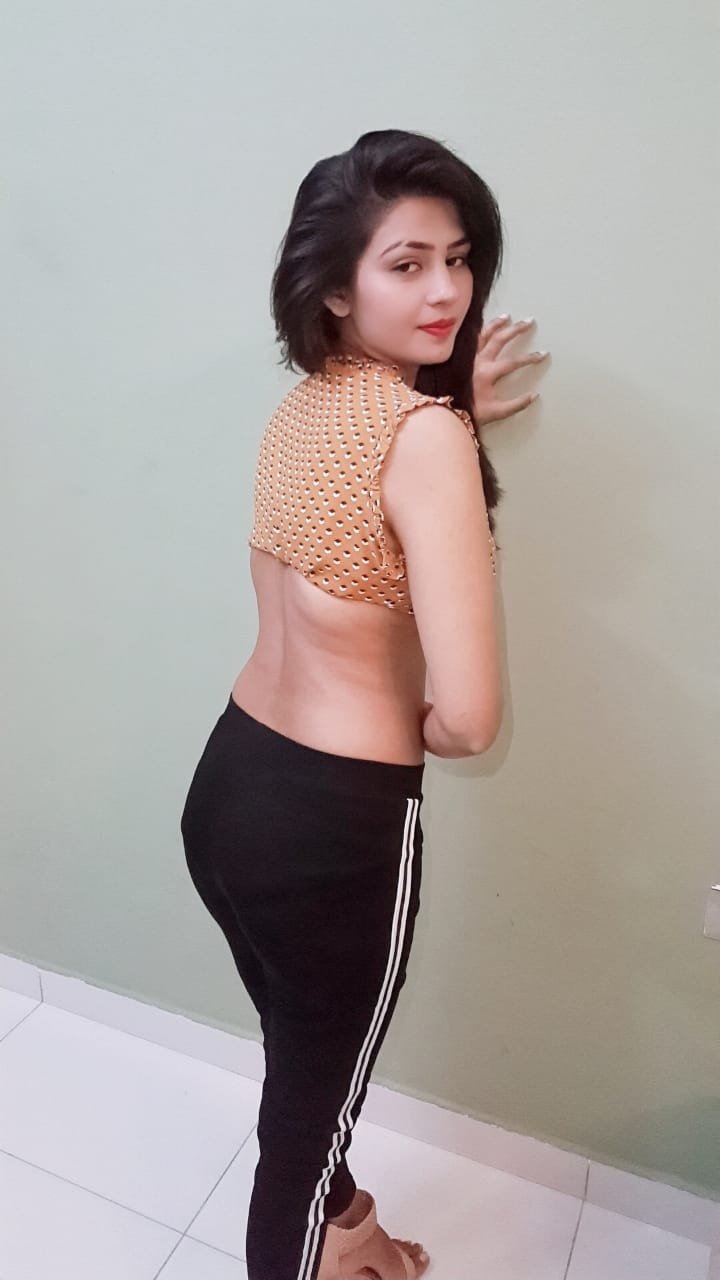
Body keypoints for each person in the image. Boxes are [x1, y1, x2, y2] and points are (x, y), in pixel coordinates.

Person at [180, 128, 548, 1280]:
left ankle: (353, 1234)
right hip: (332, 835)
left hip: (227, 794)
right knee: (302, 1127)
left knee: (303, 1077)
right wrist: (407, 726)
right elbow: (472, 720)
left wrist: (455, 411)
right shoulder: (424, 440)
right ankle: (321, 1236)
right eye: (407, 264)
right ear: (338, 288)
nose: (448, 291)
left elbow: (365, 512)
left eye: (460, 257)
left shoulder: (308, 409)